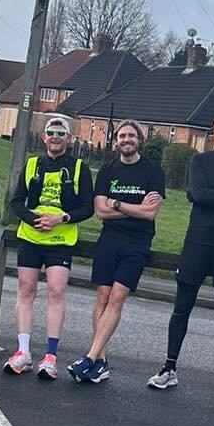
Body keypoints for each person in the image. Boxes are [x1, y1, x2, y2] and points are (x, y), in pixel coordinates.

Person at [148, 113, 214, 401]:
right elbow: (198, 193)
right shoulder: (199, 161)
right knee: (182, 306)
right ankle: (169, 368)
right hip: (197, 242)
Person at [67, 119, 165, 384]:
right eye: (122, 136)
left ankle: (89, 358)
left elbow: (150, 213)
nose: (126, 140)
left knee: (117, 296)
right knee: (102, 295)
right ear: (116, 141)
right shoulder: (108, 169)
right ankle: (100, 361)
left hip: (138, 243)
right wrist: (134, 207)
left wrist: (118, 203)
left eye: (131, 136)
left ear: (139, 141)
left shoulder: (153, 172)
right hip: (109, 240)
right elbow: (100, 212)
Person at [3, 115, 95, 380]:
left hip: (60, 240)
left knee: (55, 291)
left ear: (69, 138)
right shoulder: (32, 164)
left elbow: (86, 207)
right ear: (44, 137)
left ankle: (51, 356)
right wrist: (33, 219)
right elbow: (16, 202)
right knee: (26, 289)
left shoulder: (79, 167)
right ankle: (22, 351)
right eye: (51, 133)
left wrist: (60, 218)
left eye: (61, 133)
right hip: (31, 237)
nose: (55, 137)